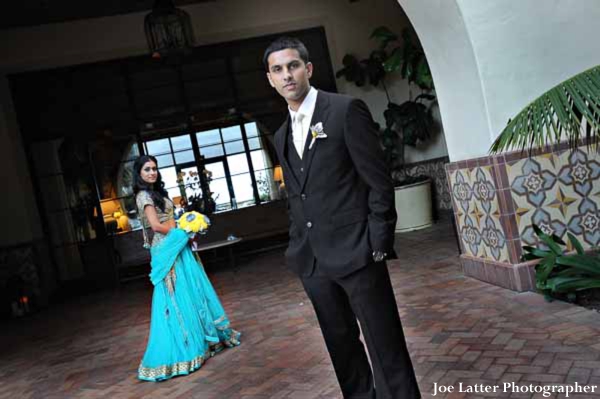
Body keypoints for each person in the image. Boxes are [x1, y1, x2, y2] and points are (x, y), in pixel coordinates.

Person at [264, 37, 420, 399]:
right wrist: (297, 247)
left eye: (293, 66)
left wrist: (378, 244)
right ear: (270, 79)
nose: (287, 75)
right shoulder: (282, 134)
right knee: (342, 351)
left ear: (308, 69)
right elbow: (296, 196)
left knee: (386, 348)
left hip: (358, 253)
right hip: (313, 262)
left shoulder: (345, 110)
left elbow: (377, 182)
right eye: (278, 70)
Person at [132, 155, 241, 382]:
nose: (152, 172)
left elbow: (171, 219)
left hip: (177, 242)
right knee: (174, 295)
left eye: (154, 168)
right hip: (166, 247)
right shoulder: (143, 195)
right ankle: (183, 347)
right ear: (139, 174)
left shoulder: (158, 193)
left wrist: (186, 228)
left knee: (190, 289)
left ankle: (201, 340)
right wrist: (182, 231)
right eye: (147, 169)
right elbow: (155, 226)